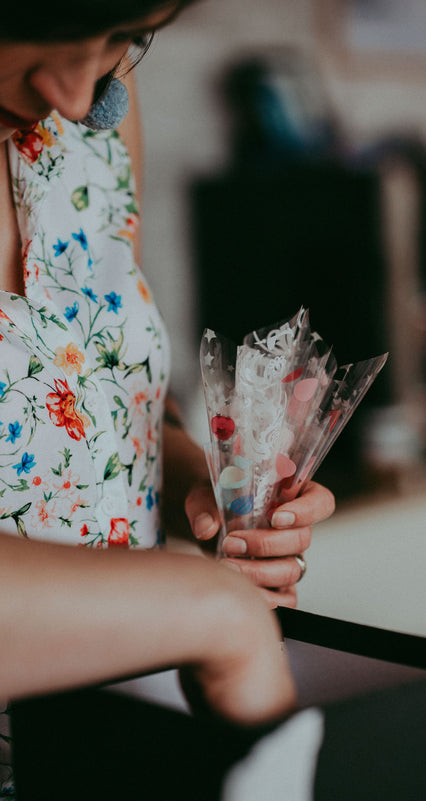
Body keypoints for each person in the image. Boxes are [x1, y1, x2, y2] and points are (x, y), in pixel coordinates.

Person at [0, 0, 335, 795]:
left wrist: (198, 478)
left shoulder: (100, 124)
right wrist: (205, 608)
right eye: (36, 37)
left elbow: (108, 389)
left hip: (112, 754)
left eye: (126, 39)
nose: (78, 97)